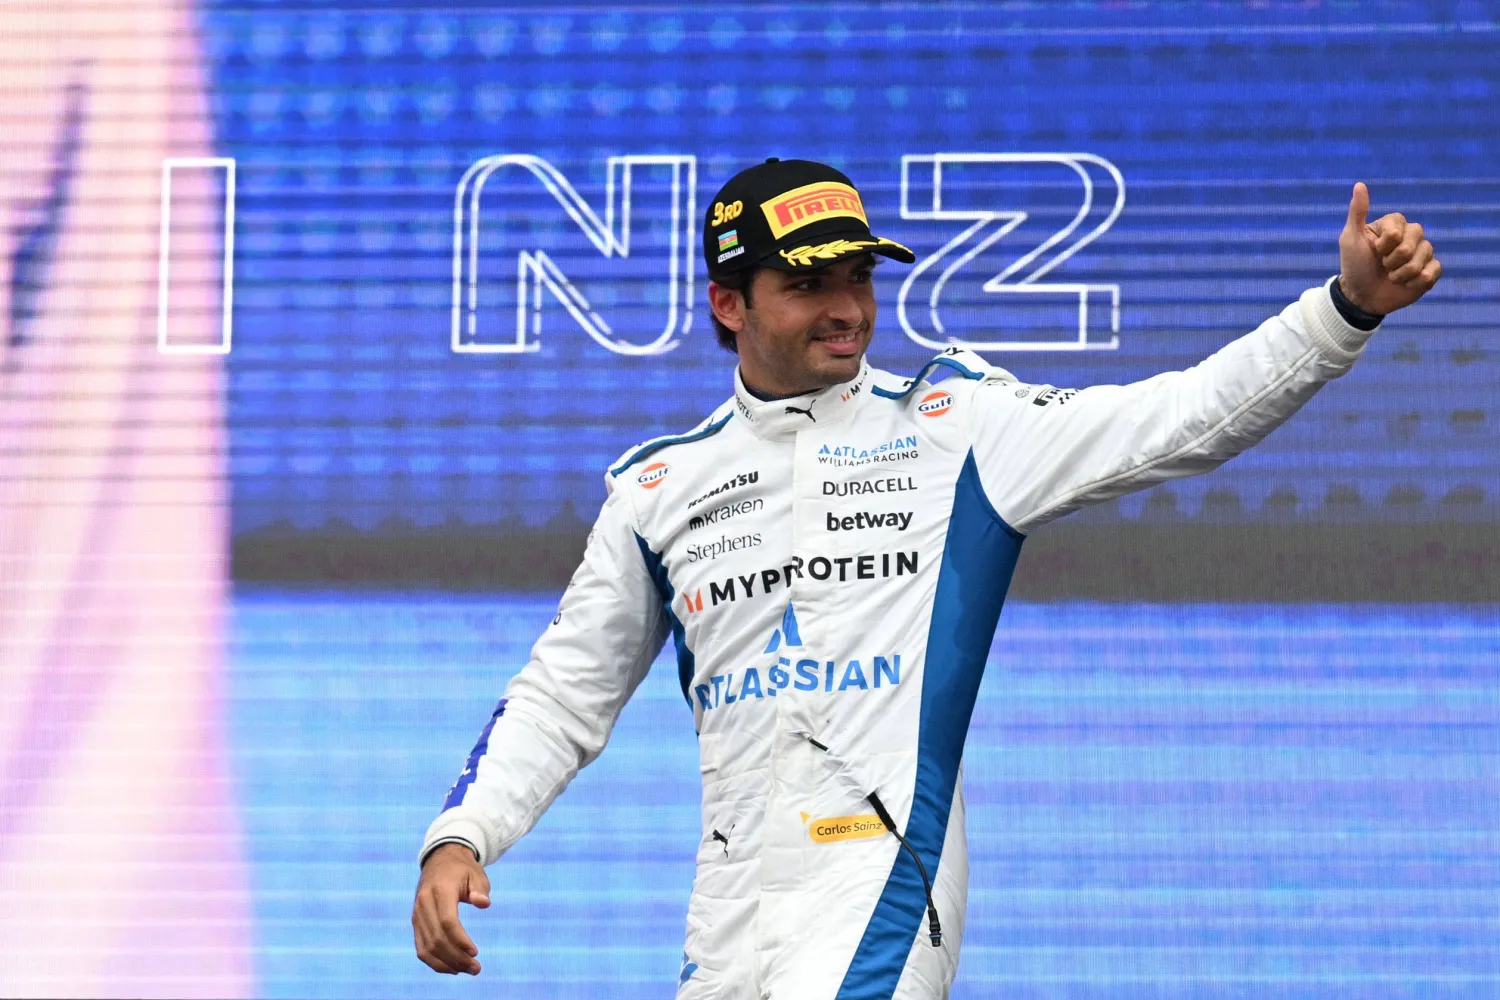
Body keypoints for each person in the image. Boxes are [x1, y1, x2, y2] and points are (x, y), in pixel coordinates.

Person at [412, 158, 1441, 998]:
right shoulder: (658, 486)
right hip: (726, 911)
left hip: (879, 874)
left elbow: (1177, 420)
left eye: (858, 278)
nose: (846, 309)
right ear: (729, 303)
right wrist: (463, 836)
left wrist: (1343, 310)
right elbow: (563, 692)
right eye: (807, 285)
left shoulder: (958, 425)